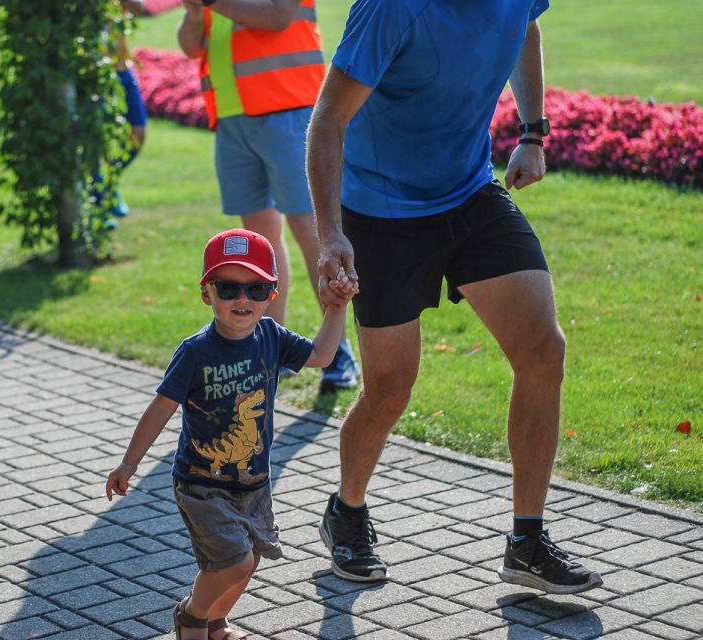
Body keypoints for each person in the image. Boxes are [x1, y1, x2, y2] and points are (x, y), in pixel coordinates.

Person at [306, 0, 604, 594]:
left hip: (469, 194)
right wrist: (332, 234)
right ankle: (347, 510)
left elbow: (525, 27)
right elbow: (327, 122)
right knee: (390, 388)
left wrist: (533, 131)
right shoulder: (391, 8)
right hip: (380, 210)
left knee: (543, 348)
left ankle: (527, 540)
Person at [105, 228, 357, 639]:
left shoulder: (271, 337)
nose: (243, 299)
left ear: (271, 295)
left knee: (251, 557)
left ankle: (217, 623)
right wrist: (130, 462)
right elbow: (161, 407)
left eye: (256, 289)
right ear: (207, 293)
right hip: (203, 483)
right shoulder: (195, 351)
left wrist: (336, 309)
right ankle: (191, 616)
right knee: (233, 562)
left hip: (253, 481)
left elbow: (322, 355)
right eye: (229, 287)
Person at [177, 0, 359, 391]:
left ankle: (338, 351)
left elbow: (279, 17)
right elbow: (192, 45)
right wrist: (194, 13)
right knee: (259, 240)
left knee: (312, 230)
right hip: (233, 118)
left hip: (288, 109)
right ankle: (270, 349)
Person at [93, 0, 149, 223]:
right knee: (96, 140)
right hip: (95, 73)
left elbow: (139, 7)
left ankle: (109, 182)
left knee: (138, 132)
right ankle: (98, 200)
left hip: (123, 69)